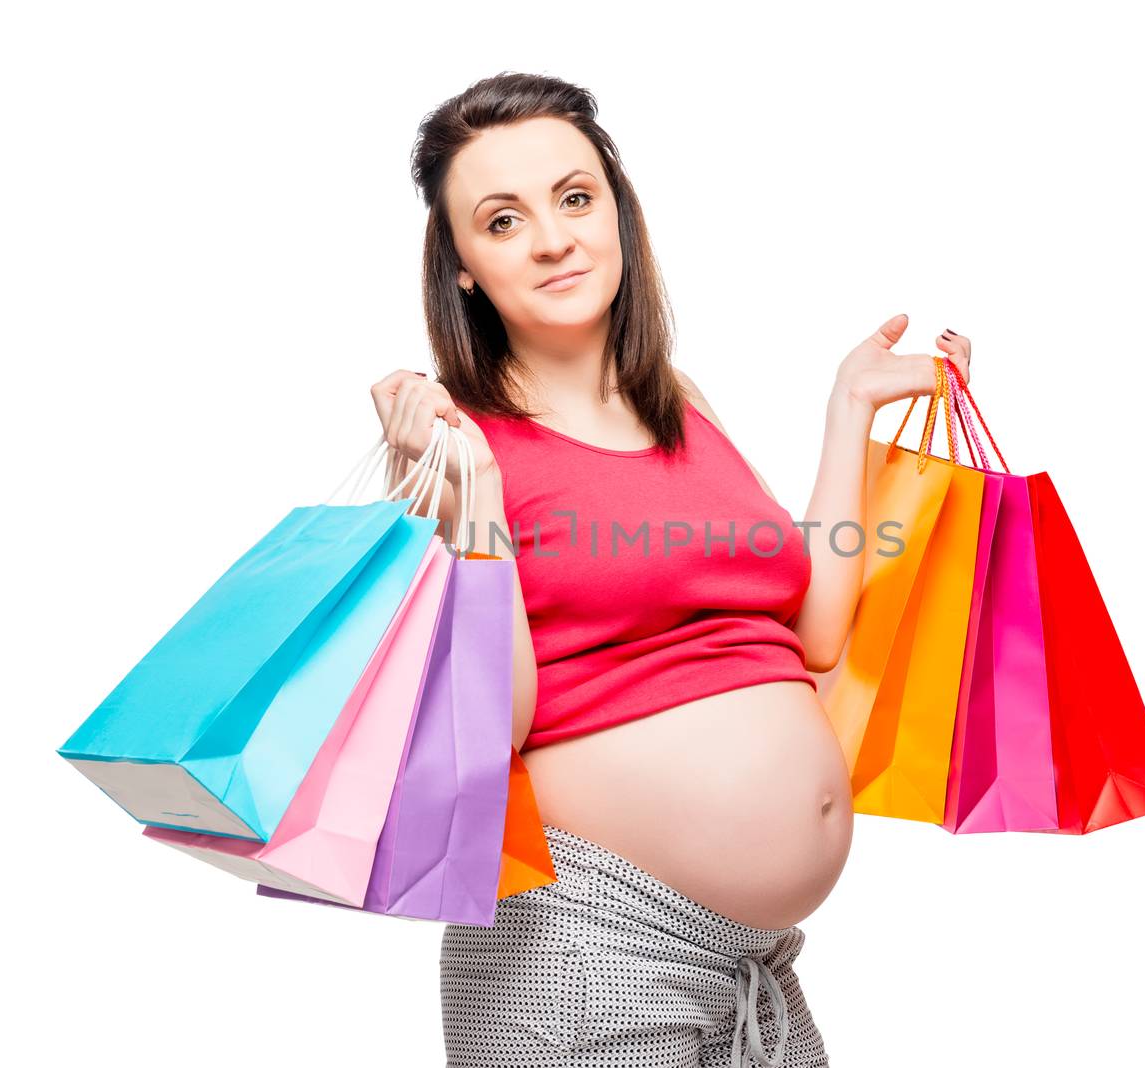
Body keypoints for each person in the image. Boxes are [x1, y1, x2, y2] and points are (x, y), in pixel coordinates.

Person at [370, 72, 973, 1068]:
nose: (555, 237)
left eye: (574, 198)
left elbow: (810, 631)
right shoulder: (448, 440)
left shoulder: (679, 401)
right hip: (584, 947)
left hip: (755, 967)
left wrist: (848, 416)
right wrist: (472, 502)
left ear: (616, 211)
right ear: (463, 267)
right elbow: (494, 732)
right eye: (503, 219)